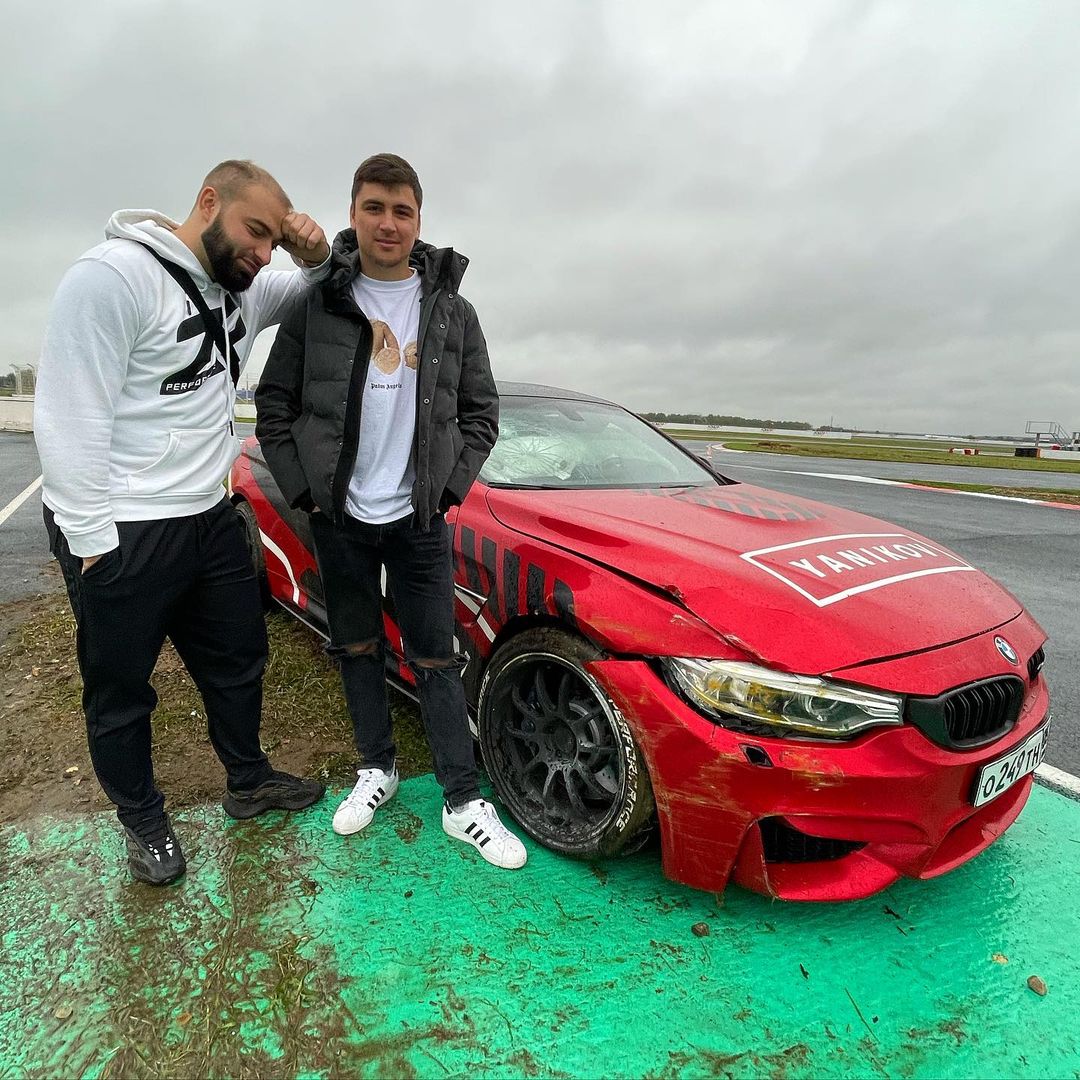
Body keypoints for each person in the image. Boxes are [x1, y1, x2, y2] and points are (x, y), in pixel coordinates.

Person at [34, 160, 331, 886]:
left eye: (272, 242)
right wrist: (92, 545)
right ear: (207, 202)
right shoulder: (112, 277)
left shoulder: (242, 288)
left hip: (210, 518)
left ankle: (248, 779)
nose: (263, 254)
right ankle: (142, 819)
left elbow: (316, 287)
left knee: (238, 662)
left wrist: (313, 249)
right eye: (255, 231)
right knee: (121, 687)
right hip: (126, 526)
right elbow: (68, 416)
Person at [256, 153, 526, 869]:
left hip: (418, 521)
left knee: (436, 657)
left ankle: (462, 801)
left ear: (418, 220)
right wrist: (306, 492)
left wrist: (446, 491)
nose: (388, 223)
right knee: (355, 647)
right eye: (374, 207)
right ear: (353, 213)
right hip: (340, 518)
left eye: (402, 210)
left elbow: (481, 414)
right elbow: (275, 405)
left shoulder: (453, 311)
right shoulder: (317, 302)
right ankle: (376, 768)